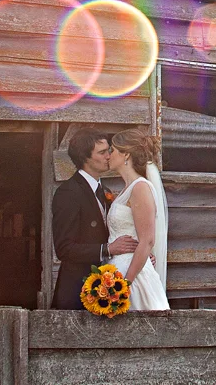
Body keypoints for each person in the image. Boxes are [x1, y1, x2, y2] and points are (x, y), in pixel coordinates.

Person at [49, 130, 138, 310]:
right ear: (85, 158)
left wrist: (137, 252)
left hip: (105, 288)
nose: (109, 156)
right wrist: (107, 249)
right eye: (102, 152)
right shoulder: (68, 193)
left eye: (109, 150)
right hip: (76, 291)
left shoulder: (104, 190)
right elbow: (64, 249)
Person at [104, 128, 170, 310]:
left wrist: (125, 285)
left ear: (126, 154)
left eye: (113, 150)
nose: (109, 155)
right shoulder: (127, 190)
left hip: (133, 275)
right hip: (116, 268)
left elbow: (147, 240)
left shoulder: (140, 188)